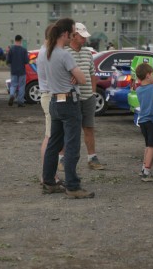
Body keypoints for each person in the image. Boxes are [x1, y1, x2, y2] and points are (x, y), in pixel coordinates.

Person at [42, 18, 95, 198]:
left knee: (53, 144)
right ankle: (73, 187)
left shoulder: (47, 53)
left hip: (55, 102)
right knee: (72, 146)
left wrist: (70, 74)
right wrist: (74, 74)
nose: (73, 36)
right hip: (69, 102)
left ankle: (49, 181)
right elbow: (82, 79)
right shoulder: (64, 54)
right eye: (72, 33)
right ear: (65, 34)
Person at [58, 22, 104, 171]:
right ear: (73, 35)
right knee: (67, 128)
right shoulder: (64, 51)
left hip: (87, 97)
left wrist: (92, 92)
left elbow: (92, 74)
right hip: (69, 97)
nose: (84, 39)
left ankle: (92, 157)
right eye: (81, 36)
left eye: (85, 37)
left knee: (89, 127)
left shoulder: (87, 53)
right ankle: (62, 158)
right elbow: (58, 74)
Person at [37, 24, 62, 184]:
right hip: (50, 96)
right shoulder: (47, 53)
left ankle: (49, 174)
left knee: (51, 136)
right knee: (50, 136)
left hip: (48, 95)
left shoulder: (43, 51)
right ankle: (48, 175)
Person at [6, 34, 29, 107]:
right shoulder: (24, 50)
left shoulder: (11, 50)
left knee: (13, 85)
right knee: (22, 86)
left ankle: (12, 95)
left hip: (13, 71)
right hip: (22, 71)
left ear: (15, 40)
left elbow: (8, 61)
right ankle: (20, 102)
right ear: (20, 40)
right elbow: (26, 61)